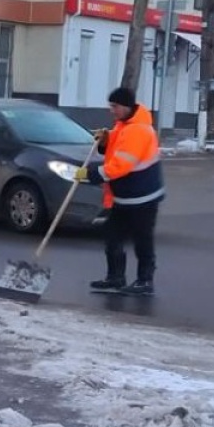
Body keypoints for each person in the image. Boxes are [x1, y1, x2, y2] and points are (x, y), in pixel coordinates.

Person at [75, 87, 164, 295]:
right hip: (125, 197)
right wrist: (106, 138)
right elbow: (117, 142)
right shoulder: (125, 126)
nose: (111, 111)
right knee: (112, 235)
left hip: (143, 196)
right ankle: (115, 277)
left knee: (142, 239)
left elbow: (121, 165)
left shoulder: (139, 130)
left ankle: (145, 281)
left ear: (125, 106)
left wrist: (90, 174)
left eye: (114, 106)